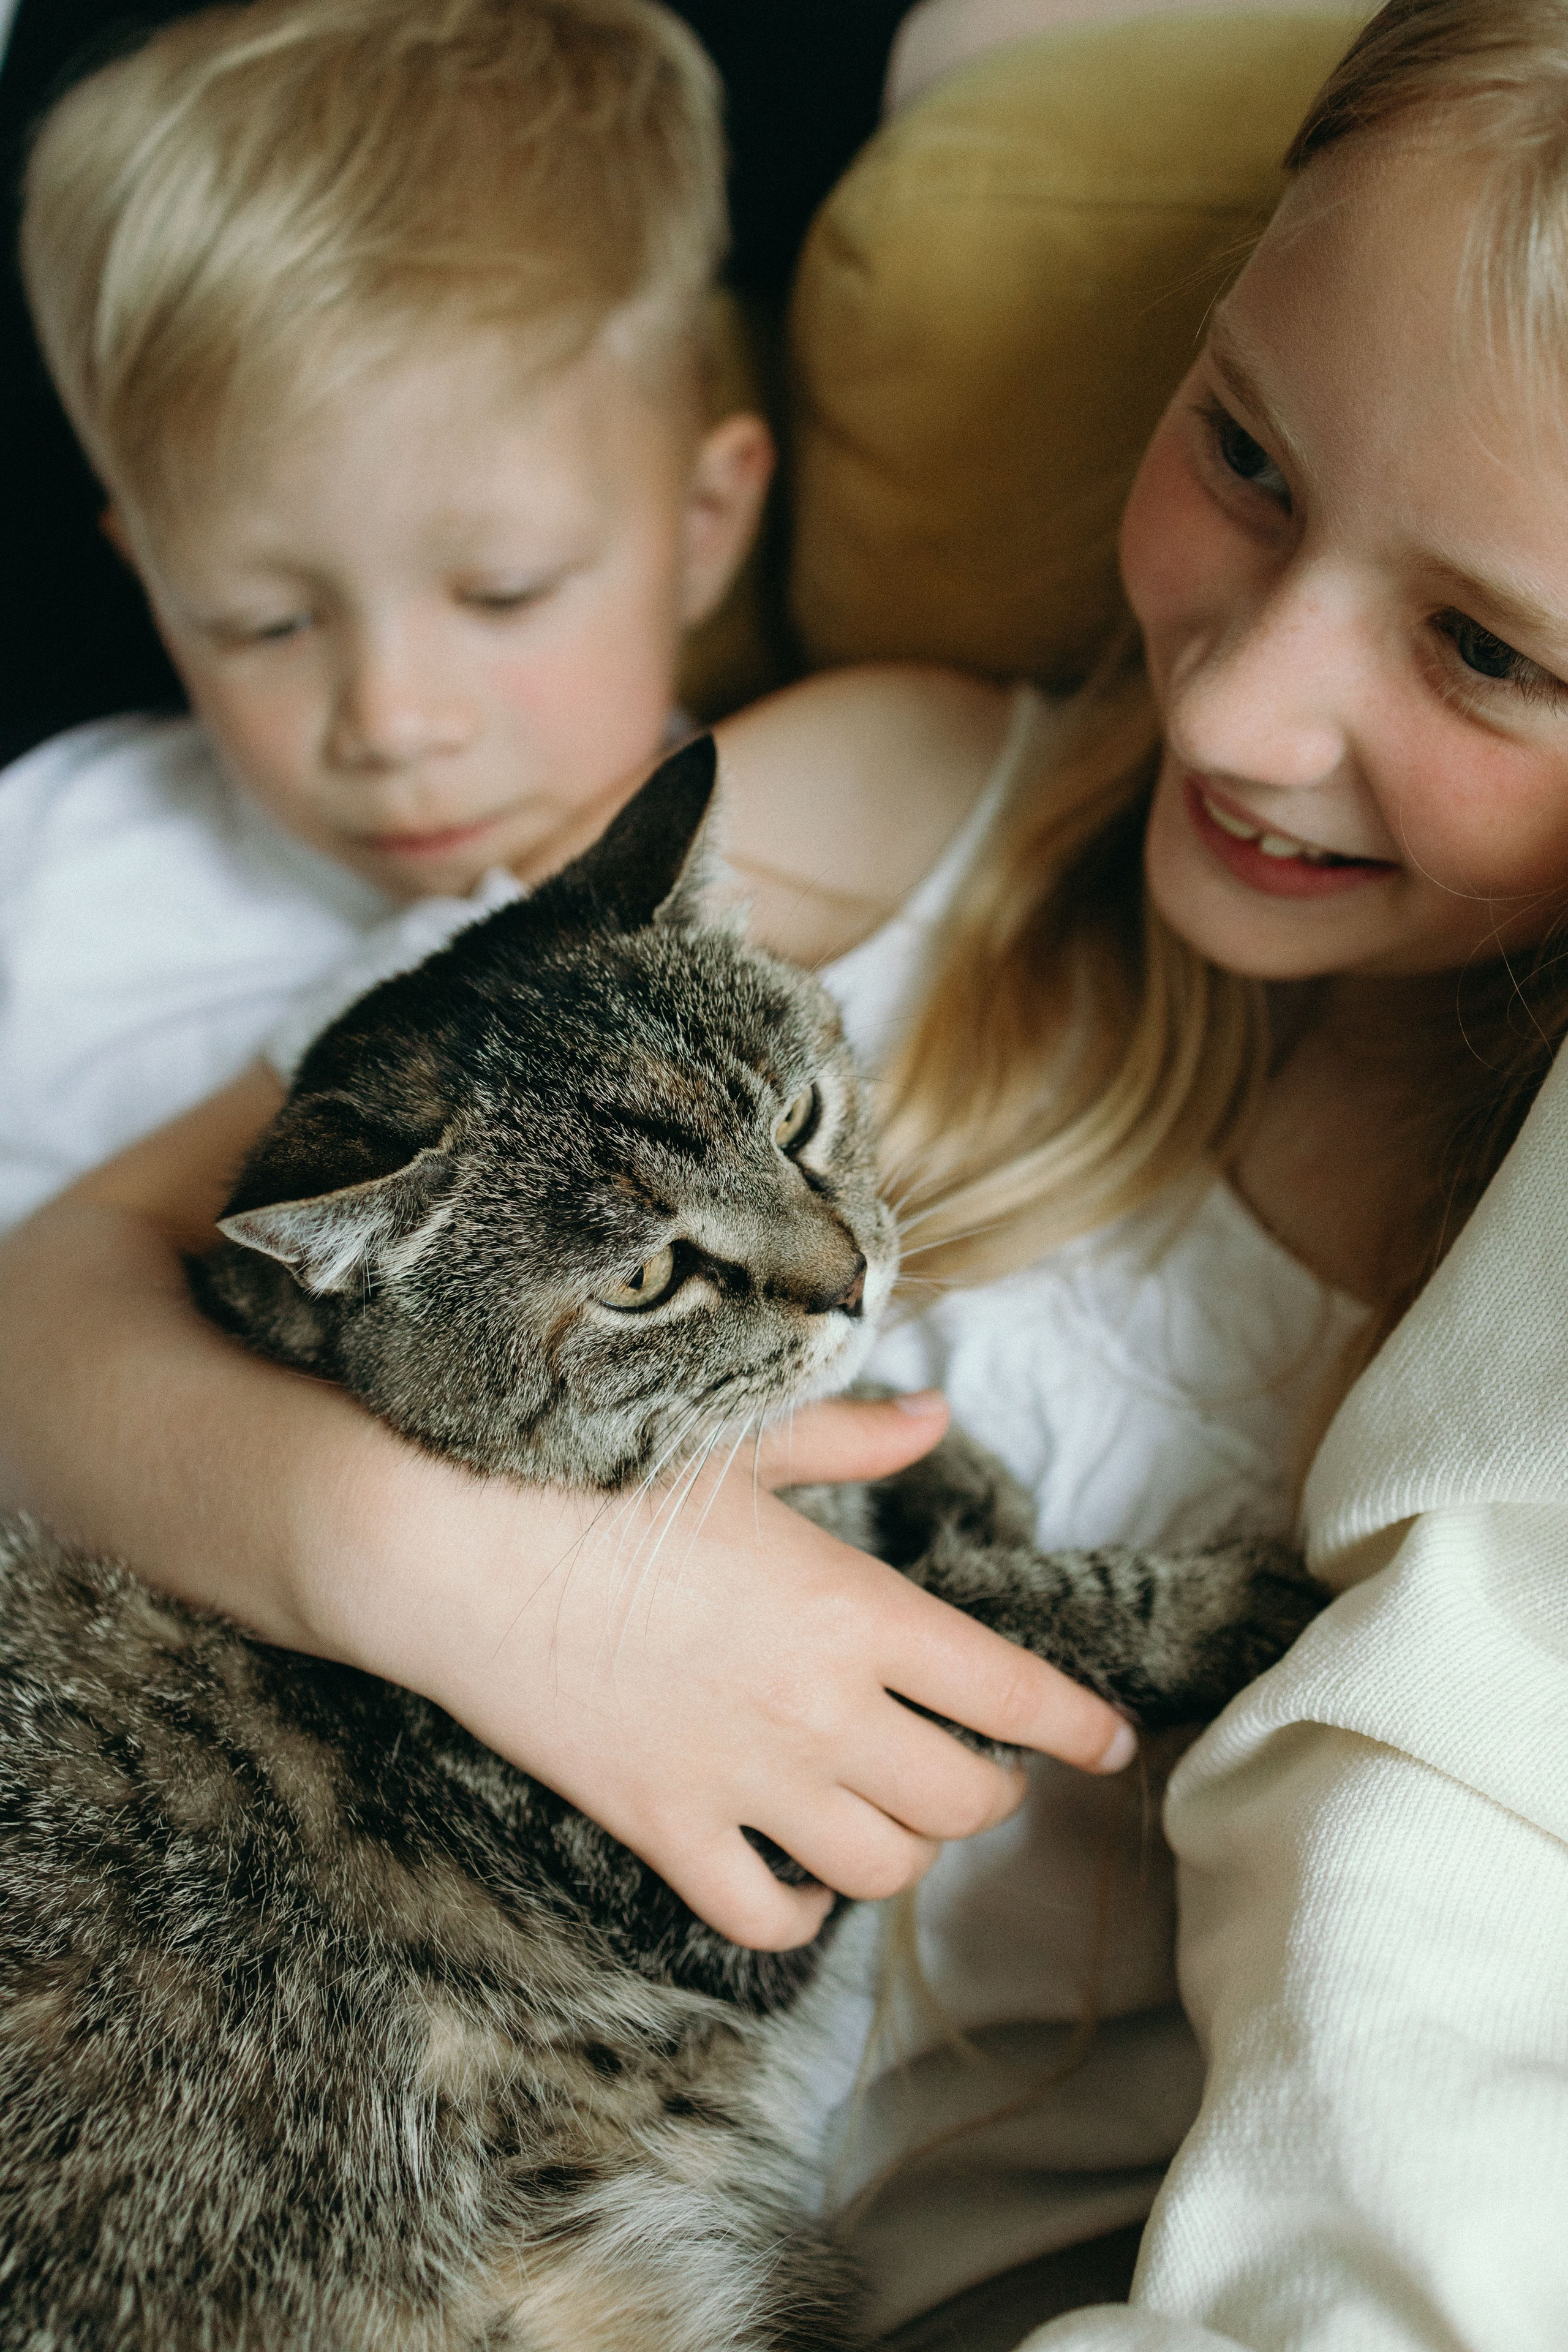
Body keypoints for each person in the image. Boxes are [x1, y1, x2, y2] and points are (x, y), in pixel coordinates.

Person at [7, 0, 1567, 2343]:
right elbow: (58, 1308)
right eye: (1245, 451)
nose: (1236, 708)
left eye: (1482, 646)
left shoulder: (1513, 1281)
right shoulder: (873, 803)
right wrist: (469, 1581)